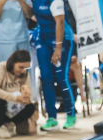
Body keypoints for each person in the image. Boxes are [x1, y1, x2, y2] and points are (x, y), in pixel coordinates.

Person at [16, 0, 78, 132]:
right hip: (43, 38)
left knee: (61, 77)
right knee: (46, 78)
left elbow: (60, 21)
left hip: (62, 37)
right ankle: (52, 118)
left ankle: (71, 114)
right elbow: (31, 14)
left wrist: (58, 48)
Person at [0, 0, 30, 65]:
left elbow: (30, 14)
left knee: (25, 69)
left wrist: (21, 1)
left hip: (22, 37)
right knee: (5, 69)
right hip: (2, 40)